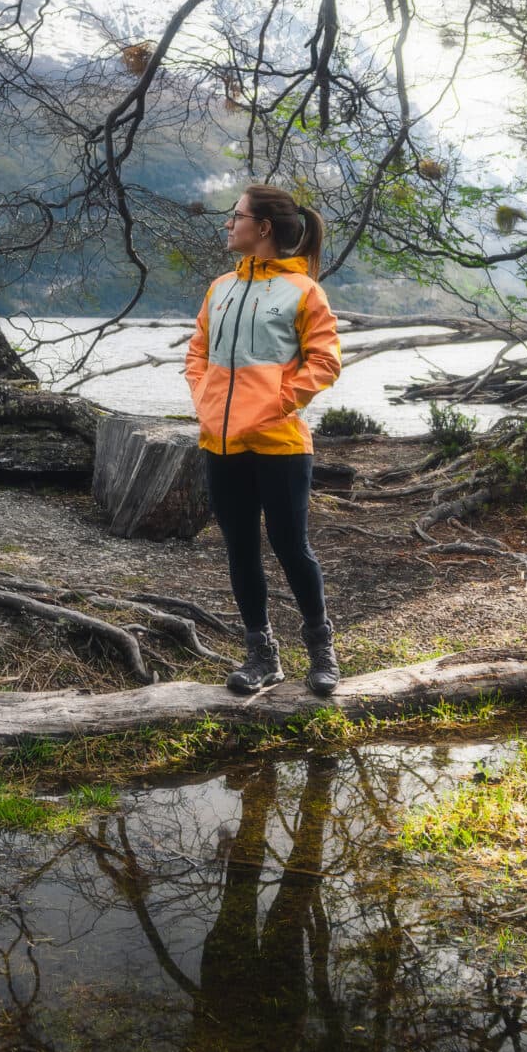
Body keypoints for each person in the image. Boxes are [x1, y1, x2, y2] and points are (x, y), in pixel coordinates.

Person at [185, 183, 343, 697]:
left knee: (290, 546)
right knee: (240, 549)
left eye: (236, 216)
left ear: (264, 228)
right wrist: (206, 402)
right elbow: (197, 355)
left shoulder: (304, 292)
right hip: (221, 443)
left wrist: (276, 403)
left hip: (280, 443)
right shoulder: (221, 288)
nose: (229, 225)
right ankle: (262, 656)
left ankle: (322, 650)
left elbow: (325, 362)